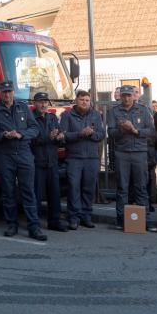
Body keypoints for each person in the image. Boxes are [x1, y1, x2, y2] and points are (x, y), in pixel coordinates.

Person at [0, 80, 46, 241]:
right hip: (5, 155)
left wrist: (20, 134)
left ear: (13, 92)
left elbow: (34, 129)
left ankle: (34, 226)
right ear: (0, 93)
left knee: (28, 191)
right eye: (4, 92)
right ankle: (12, 224)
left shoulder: (23, 107)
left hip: (24, 153)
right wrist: (3, 135)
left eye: (9, 91)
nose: (7, 94)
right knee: (8, 192)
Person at [108, 85, 157, 231]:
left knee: (141, 187)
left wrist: (135, 130)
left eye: (129, 95)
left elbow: (151, 131)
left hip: (140, 152)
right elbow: (111, 133)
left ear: (134, 96)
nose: (127, 98)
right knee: (122, 187)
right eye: (124, 95)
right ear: (120, 96)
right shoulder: (114, 111)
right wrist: (122, 129)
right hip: (122, 152)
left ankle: (145, 220)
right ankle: (120, 219)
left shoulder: (143, 109)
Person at [60, 90, 105, 229]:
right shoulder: (67, 115)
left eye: (87, 100)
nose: (84, 102)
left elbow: (101, 134)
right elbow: (63, 135)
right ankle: (73, 218)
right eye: (81, 100)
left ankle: (86, 216)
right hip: (74, 158)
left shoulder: (96, 115)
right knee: (74, 188)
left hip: (91, 158)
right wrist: (79, 134)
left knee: (88, 188)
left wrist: (91, 134)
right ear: (76, 100)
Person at [31, 92, 67, 232]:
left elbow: (58, 138)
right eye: (40, 102)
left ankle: (54, 221)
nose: (44, 104)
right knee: (37, 196)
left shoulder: (52, 117)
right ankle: (35, 224)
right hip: (37, 162)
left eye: (46, 102)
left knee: (54, 194)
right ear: (35, 103)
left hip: (52, 161)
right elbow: (31, 140)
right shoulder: (30, 118)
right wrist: (48, 137)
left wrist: (60, 137)